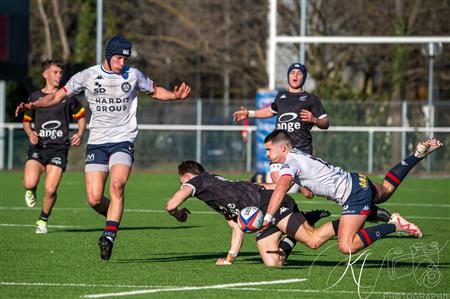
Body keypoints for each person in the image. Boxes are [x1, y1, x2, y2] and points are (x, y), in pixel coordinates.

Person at [16, 35, 191, 260]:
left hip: (123, 139)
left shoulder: (133, 75)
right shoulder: (87, 75)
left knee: (117, 186)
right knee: (94, 199)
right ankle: (113, 217)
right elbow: (58, 96)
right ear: (108, 56)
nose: (122, 63)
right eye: (118, 58)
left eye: (125, 59)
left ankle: (108, 235)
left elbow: (155, 90)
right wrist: (33, 104)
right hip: (97, 141)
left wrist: (174, 96)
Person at [262, 130, 443, 254]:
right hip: (356, 180)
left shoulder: (291, 163)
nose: (267, 154)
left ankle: (395, 225)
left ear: (283, 148)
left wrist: (267, 218)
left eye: (269, 150)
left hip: (354, 195)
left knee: (346, 246)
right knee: (387, 190)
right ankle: (418, 155)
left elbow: (281, 188)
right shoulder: (298, 155)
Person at [166, 160, 332, 267]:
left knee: (313, 241)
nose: (182, 187)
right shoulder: (217, 192)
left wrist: (177, 213)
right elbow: (237, 228)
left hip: (269, 204)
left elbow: (171, 205)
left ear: (187, 177)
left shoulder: (199, 181)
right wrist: (229, 259)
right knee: (274, 263)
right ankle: (304, 222)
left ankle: (350, 224)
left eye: (182, 183)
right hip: (263, 210)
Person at [234, 63, 328, 196]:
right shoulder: (281, 97)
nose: (295, 75)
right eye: (292, 73)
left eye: (299, 73)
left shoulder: (311, 99)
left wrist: (315, 120)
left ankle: (297, 185)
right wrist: (249, 113)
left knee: (308, 194)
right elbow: (270, 111)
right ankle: (249, 189)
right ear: (288, 76)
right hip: (280, 151)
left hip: (301, 151)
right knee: (280, 189)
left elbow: (325, 122)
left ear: (304, 77)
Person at [22, 59, 86, 234]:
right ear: (45, 74)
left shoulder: (67, 97)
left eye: (60, 73)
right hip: (38, 147)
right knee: (29, 182)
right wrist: (30, 133)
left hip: (59, 148)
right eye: (55, 72)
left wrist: (79, 133)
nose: (59, 76)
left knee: (51, 189)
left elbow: (81, 117)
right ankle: (31, 190)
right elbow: (26, 121)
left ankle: (43, 220)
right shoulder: (35, 97)